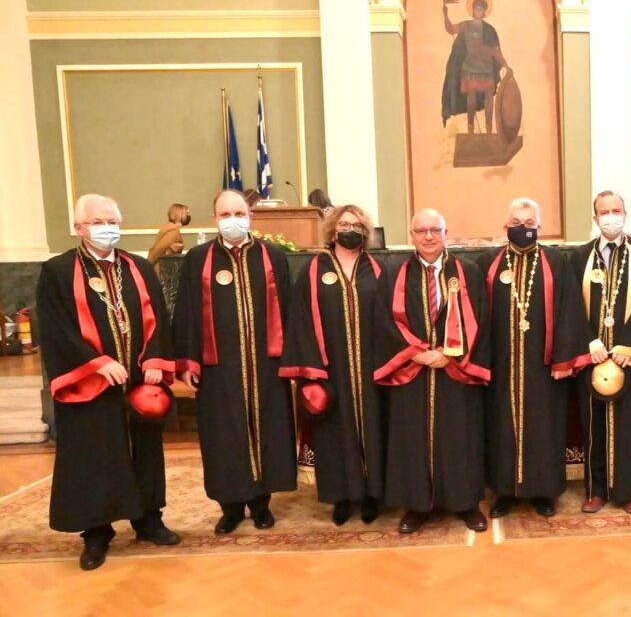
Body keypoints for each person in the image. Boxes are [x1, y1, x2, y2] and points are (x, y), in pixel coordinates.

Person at [36, 194, 180, 571]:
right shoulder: (58, 271)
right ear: (79, 228)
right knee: (95, 456)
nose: (107, 229)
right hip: (91, 383)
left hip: (138, 381)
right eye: (98, 222)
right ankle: (97, 532)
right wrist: (96, 363)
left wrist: (155, 360)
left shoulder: (139, 268)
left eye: (113, 222)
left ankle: (148, 520)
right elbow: (55, 328)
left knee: (145, 450)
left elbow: (159, 317)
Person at [172, 189, 295, 534]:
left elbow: (289, 310)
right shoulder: (198, 259)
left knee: (267, 431)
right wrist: (188, 362)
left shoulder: (273, 256)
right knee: (223, 437)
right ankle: (230, 508)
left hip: (266, 367)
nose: (233, 220)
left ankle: (261, 504)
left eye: (239, 214)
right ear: (215, 219)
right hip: (218, 369)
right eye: (225, 215)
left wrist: (292, 361)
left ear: (250, 216)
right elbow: (186, 313)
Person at [373, 209, 491, 534]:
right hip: (412, 372)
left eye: (435, 230)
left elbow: (480, 320)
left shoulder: (468, 272)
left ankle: (466, 503)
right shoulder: (394, 274)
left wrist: (450, 355)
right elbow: (383, 321)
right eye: (421, 230)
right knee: (413, 439)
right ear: (411, 235)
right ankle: (416, 505)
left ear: (445, 233)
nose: (428, 236)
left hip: (457, 372)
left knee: (460, 437)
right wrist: (417, 353)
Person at [482, 198, 590, 519]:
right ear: (506, 226)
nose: (523, 228)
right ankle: (505, 491)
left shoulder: (556, 262)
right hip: (501, 365)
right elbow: (477, 316)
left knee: (543, 428)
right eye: (516, 223)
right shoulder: (489, 263)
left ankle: (543, 491)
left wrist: (563, 359)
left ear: (539, 227)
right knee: (502, 427)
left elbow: (570, 310)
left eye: (529, 224)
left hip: (544, 367)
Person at [280, 204, 385, 525]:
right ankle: (342, 497)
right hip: (330, 369)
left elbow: (390, 319)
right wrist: (313, 371)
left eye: (356, 225)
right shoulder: (313, 270)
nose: (349, 230)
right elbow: (300, 321)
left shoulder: (377, 269)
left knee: (374, 428)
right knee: (335, 432)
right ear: (333, 230)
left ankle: (372, 495)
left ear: (365, 231)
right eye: (344, 225)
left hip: (371, 369)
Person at [570, 191, 631, 514]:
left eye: (616, 210)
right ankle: (596, 490)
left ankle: (628, 491)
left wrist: (628, 345)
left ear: (625, 214)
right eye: (604, 212)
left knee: (629, 425)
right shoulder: (580, 256)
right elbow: (570, 304)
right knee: (594, 425)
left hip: (629, 358)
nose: (610, 217)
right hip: (593, 359)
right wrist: (589, 341)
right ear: (595, 218)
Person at [441, 0, 512, 134]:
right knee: (471, 98)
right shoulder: (466, 25)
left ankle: (489, 129)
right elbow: (450, 29)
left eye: (481, 9)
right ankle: (470, 128)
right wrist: (445, 15)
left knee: (489, 99)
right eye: (476, 8)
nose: (478, 11)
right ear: (472, 10)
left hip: (486, 68)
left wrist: (505, 64)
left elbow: (495, 51)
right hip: (470, 66)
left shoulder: (490, 30)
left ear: (484, 12)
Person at [146, 203, 189, 269]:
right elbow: (158, 250)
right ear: (179, 214)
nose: (188, 215)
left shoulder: (171, 229)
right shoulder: (173, 231)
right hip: (162, 269)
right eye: (187, 213)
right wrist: (147, 266)